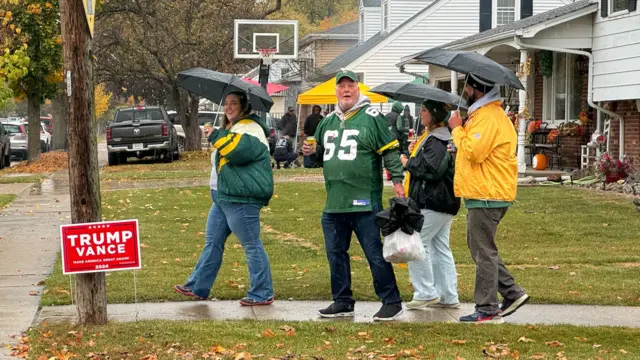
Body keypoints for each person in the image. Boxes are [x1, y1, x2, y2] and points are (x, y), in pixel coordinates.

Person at [302, 69, 406, 321]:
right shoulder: (327, 122)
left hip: (362, 200)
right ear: (335, 90)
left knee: (374, 253)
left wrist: (398, 181)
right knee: (335, 254)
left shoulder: (371, 117)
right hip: (334, 202)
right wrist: (308, 152)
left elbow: (390, 151)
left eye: (350, 85)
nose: (346, 90)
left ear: (358, 89)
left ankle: (391, 301)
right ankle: (342, 300)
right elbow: (317, 159)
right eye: (341, 86)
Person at [174, 91, 275, 306]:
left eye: (234, 103)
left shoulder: (250, 128)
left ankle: (263, 292)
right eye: (226, 103)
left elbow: (238, 152)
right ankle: (197, 286)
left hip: (241, 198)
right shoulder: (233, 128)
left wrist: (216, 135)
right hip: (222, 197)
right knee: (212, 243)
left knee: (251, 244)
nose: (228, 107)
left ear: (244, 106)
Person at [448, 74, 529, 324]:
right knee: (480, 248)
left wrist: (456, 130)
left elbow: (474, 153)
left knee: (483, 252)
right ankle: (513, 293)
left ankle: (487, 307)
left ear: (476, 90)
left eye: (468, 87)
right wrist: (461, 136)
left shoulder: (488, 117)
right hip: (483, 192)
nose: (465, 91)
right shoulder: (483, 116)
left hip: (488, 194)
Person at [400, 100, 461, 310]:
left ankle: (425, 291)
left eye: (424, 110)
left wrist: (409, 163)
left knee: (417, 243)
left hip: (432, 200)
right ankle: (448, 295)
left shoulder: (437, 139)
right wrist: (415, 152)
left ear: (434, 115)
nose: (421, 114)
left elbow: (431, 170)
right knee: (440, 247)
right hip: (445, 201)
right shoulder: (440, 138)